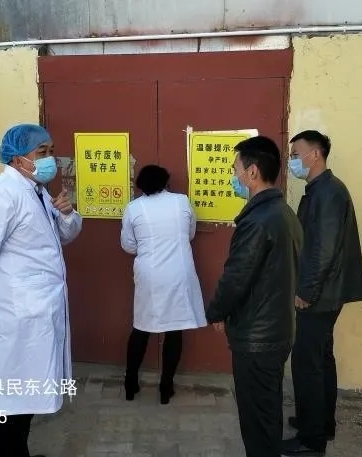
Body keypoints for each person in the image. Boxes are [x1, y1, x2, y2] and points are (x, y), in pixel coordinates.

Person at [0, 124, 83, 457]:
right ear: (16, 159)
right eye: (41, 152)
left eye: (51, 151)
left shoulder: (35, 191)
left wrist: (67, 214)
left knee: (23, 399)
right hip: (18, 315)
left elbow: (60, 238)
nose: (50, 158)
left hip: (35, 311)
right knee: (11, 404)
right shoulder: (2, 196)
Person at [205, 136, 303, 457]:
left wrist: (216, 311)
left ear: (253, 172)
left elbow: (236, 277)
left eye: (235, 169)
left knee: (257, 420)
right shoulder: (283, 213)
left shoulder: (259, 221)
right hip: (276, 329)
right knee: (266, 412)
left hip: (257, 338)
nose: (233, 176)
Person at [282, 130, 362, 457]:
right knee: (320, 358)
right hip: (327, 292)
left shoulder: (328, 193)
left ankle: (311, 439)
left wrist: (306, 291)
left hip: (320, 295)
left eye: (295, 154)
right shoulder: (322, 190)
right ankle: (320, 423)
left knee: (307, 363)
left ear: (314, 154)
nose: (292, 160)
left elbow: (323, 250)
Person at [120, 164, 207, 405]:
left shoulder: (133, 208)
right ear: (166, 182)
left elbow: (128, 245)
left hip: (149, 275)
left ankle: (130, 383)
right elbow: (190, 233)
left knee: (141, 327)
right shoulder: (182, 201)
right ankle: (166, 387)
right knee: (174, 329)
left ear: (141, 185)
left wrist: (147, 249)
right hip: (179, 273)